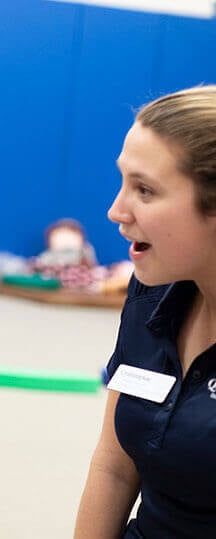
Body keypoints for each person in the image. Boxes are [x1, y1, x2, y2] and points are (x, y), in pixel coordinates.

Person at [74, 85, 216, 537]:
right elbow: (115, 465)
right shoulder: (152, 291)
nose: (116, 210)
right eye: (123, 181)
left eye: (145, 190)